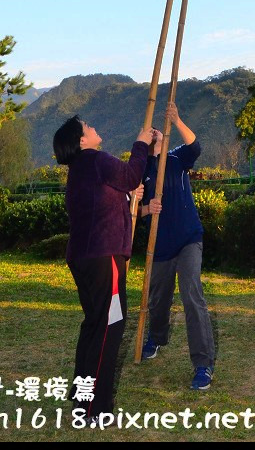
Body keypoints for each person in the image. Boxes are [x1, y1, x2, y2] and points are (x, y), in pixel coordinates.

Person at [53, 115, 155, 418]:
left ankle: (81, 398)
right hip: (104, 256)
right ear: (82, 140)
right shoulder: (96, 159)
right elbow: (131, 176)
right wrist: (142, 144)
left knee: (94, 324)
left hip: (83, 257)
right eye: (88, 127)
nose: (95, 127)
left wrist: (126, 196)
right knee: (110, 326)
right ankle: (94, 407)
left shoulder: (79, 171)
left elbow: (107, 198)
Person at [139, 100, 216, 391]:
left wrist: (178, 119)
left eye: (157, 129)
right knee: (158, 300)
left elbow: (196, 147)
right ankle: (156, 338)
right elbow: (132, 206)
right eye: (148, 132)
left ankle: (203, 364)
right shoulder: (140, 169)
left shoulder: (176, 157)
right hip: (159, 245)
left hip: (188, 239)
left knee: (191, 293)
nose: (154, 131)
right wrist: (148, 209)